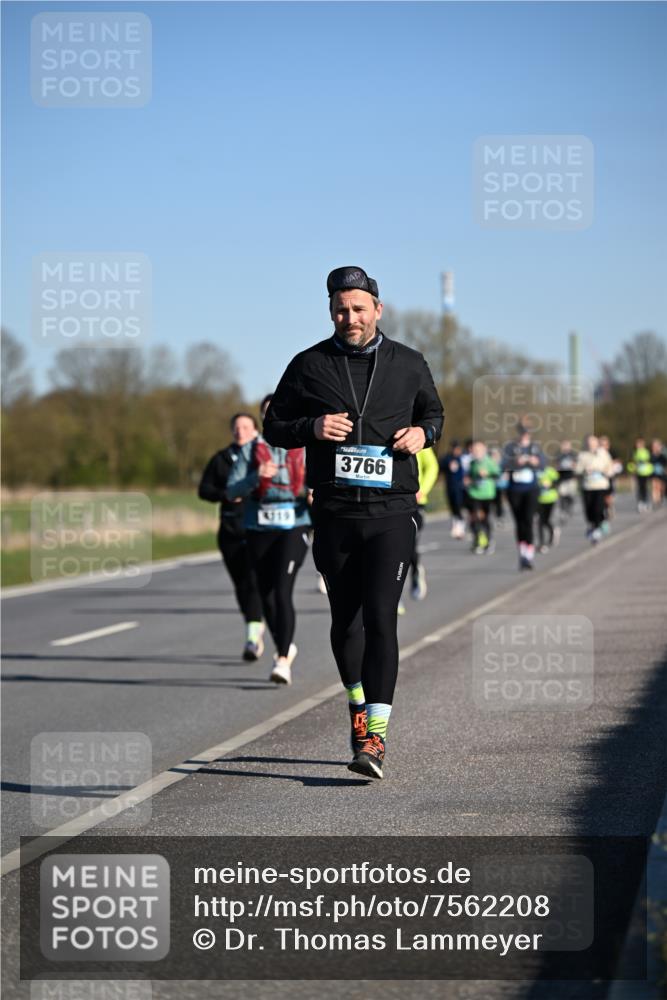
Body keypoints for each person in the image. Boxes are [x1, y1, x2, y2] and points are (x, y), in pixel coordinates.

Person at [263, 265, 444, 779]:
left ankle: (376, 740)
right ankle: (358, 707)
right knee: (347, 621)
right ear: (331, 311)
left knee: (382, 617)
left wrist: (422, 435)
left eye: (359, 308)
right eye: (341, 309)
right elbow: (274, 426)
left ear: (378, 310)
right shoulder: (308, 364)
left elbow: (435, 414)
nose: (351, 317)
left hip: (392, 511)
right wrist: (312, 426)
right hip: (336, 512)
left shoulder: (408, 363)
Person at [226, 401, 311, 685]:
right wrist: (255, 476)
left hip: (293, 525)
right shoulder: (251, 450)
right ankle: (285, 645)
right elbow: (231, 490)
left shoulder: (306, 447)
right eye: (269, 411)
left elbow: (322, 482)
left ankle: (283, 658)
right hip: (258, 527)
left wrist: (312, 492)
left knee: (282, 590)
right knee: (266, 596)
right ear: (264, 417)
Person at [198, 413, 265, 661]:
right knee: (241, 585)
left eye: (245, 427)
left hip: (258, 526)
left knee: (253, 581)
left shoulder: (263, 456)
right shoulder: (222, 459)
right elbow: (204, 490)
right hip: (230, 529)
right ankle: (255, 624)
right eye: (236, 427)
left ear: (255, 429)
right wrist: (226, 494)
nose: (240, 431)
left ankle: (252, 636)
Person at [502, 423, 545, 571]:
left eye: (527, 433)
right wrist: (515, 462)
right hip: (514, 490)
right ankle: (522, 554)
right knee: (519, 522)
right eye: (522, 433)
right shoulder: (510, 448)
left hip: (531, 489)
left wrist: (535, 462)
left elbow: (543, 465)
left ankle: (529, 555)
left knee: (528, 520)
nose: (524, 436)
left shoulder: (535, 448)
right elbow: (503, 465)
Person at [409, 444, 440, 598]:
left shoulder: (411, 432)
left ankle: (415, 571)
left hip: (415, 503)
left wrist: (422, 490)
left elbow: (432, 466)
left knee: (406, 544)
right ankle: (393, 601)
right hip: (385, 502)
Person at [575, 435, 615, 544]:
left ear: (597, 443)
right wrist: (584, 471)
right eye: (589, 442)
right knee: (588, 510)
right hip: (587, 486)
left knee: (598, 508)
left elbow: (610, 467)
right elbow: (577, 470)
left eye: (593, 442)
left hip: (600, 486)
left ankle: (597, 529)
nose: (591, 444)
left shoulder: (603, 453)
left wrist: (604, 471)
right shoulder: (582, 455)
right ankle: (593, 525)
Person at [465, 441, 499, 554]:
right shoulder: (472, 463)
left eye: (478, 450)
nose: (476, 452)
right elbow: (469, 475)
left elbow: (497, 473)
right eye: (474, 450)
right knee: (475, 518)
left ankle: (489, 540)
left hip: (487, 495)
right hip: (474, 494)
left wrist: (487, 473)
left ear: (484, 450)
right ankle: (478, 541)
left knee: (485, 519)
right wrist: (468, 480)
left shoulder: (489, 461)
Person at [439, 440, 466, 539]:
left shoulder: (462, 458)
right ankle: (455, 526)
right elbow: (440, 467)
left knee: (458, 506)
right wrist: (447, 464)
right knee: (452, 507)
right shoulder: (447, 458)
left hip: (459, 487)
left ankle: (461, 527)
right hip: (450, 486)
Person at [536, 463, 560, 552]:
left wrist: (550, 484)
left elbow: (557, 481)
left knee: (546, 520)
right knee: (539, 522)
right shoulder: (534, 470)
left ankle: (553, 532)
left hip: (550, 499)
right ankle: (541, 543)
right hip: (538, 500)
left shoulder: (549, 470)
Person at [555, 440, 578, 523]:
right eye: (563, 445)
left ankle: (570, 507)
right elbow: (556, 465)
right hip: (562, 478)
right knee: (562, 496)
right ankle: (563, 512)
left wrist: (573, 466)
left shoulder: (573, 454)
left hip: (571, 478)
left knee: (570, 496)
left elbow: (577, 465)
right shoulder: (559, 455)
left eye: (567, 445)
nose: (565, 447)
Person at [627, 438, 653, 513]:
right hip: (638, 473)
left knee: (645, 488)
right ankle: (641, 502)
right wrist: (632, 469)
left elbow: (649, 460)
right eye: (637, 444)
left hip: (646, 473)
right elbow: (631, 463)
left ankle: (646, 501)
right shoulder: (634, 452)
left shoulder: (646, 451)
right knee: (640, 488)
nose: (638, 445)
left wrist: (643, 462)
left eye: (640, 444)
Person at [649, 438, 667, 509]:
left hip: (662, 474)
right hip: (653, 473)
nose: (655, 448)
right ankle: (656, 500)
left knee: (661, 487)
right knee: (655, 486)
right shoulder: (650, 455)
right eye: (654, 446)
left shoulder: (662, 455)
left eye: (657, 446)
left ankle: (661, 496)